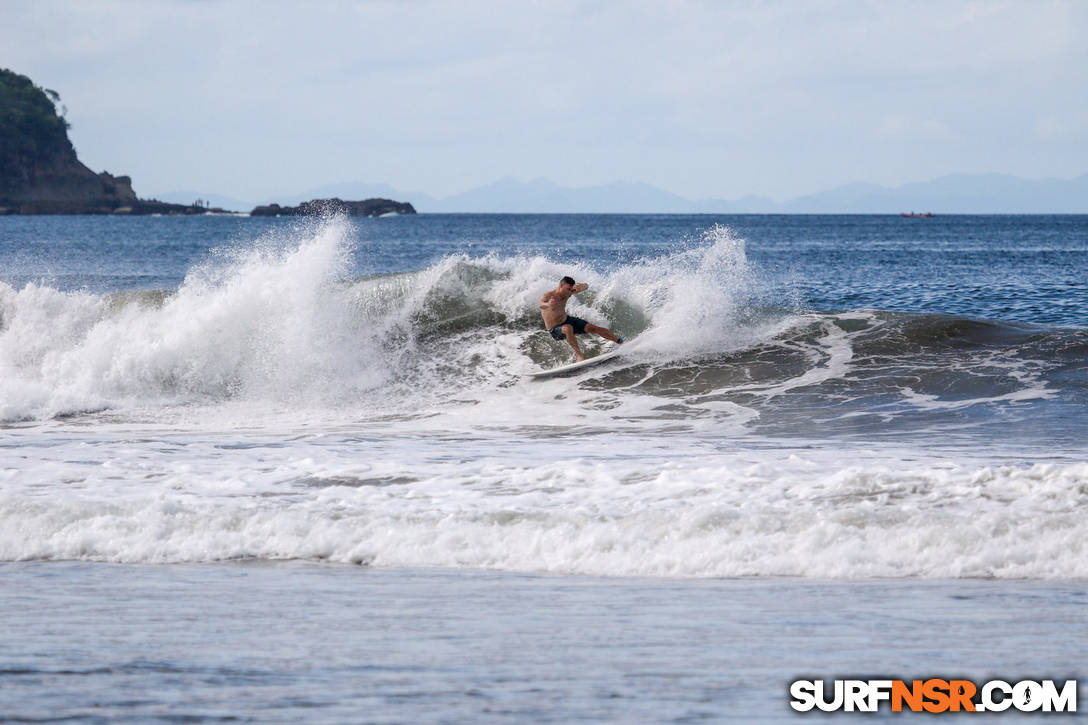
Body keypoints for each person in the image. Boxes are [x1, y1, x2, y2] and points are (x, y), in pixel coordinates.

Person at [540, 276, 625, 361]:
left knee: (594, 328)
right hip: (554, 329)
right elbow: (541, 305)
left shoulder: (567, 293)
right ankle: (579, 356)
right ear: (561, 286)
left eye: (571, 289)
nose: (570, 292)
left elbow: (586, 287)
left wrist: (583, 286)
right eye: (568, 289)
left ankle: (621, 342)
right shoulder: (549, 296)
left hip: (567, 320)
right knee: (568, 328)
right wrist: (548, 305)